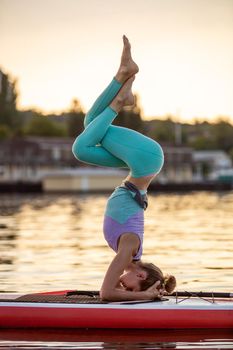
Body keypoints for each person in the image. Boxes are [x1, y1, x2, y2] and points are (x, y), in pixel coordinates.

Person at [72, 35, 176, 301]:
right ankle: (119, 101)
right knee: (81, 148)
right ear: (141, 276)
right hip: (147, 159)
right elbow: (106, 294)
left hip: (140, 164)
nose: (122, 285)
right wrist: (148, 297)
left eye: (125, 291)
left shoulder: (128, 252)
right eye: (128, 288)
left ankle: (123, 76)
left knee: (91, 123)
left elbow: (113, 290)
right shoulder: (129, 249)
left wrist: (149, 293)